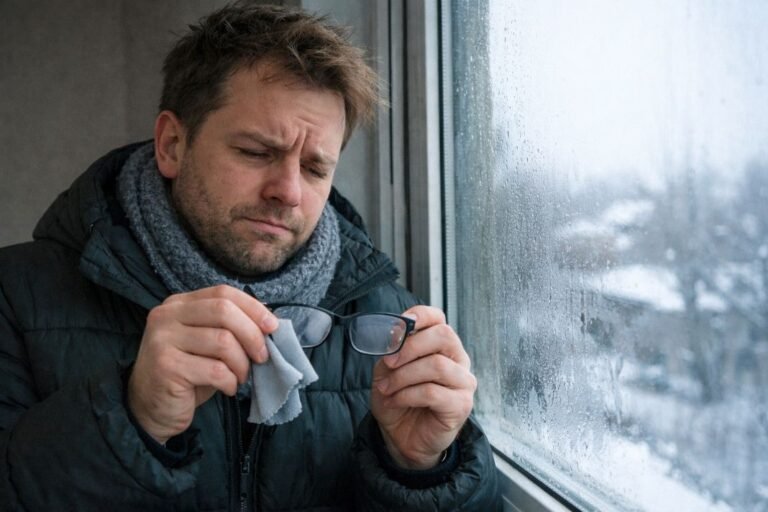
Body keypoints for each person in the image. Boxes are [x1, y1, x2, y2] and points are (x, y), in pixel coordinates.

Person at [0, 3, 499, 511]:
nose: (287, 191)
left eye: (314, 168)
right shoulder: (15, 298)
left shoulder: (386, 326)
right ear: (172, 144)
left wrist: (424, 471)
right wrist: (131, 419)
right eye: (257, 152)